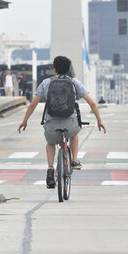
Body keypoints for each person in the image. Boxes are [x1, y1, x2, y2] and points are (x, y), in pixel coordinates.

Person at [18, 56, 106, 189]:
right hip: (70, 122)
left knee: (50, 143)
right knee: (74, 134)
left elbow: (33, 104)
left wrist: (25, 121)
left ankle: (50, 169)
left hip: (51, 122)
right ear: (68, 69)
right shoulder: (74, 82)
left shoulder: (46, 83)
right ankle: (75, 159)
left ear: (54, 69)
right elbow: (92, 102)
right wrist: (99, 121)